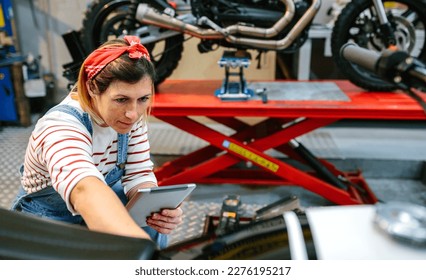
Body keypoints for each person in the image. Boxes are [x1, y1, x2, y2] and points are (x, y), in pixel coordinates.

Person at [10, 36, 182, 249]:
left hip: (101, 194)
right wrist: (140, 253)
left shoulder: (130, 116)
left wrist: (153, 209)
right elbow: (84, 190)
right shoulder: (60, 126)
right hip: (50, 212)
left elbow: (138, 173)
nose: (133, 113)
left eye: (143, 99)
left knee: (151, 226)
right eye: (121, 99)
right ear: (92, 88)